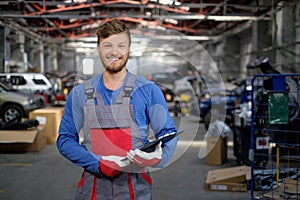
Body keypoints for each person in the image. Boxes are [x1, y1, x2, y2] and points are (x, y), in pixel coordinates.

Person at [56, 19, 178, 200]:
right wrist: (97, 163)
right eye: (107, 45)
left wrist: (159, 157)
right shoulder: (79, 94)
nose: (114, 52)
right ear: (98, 49)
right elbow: (65, 139)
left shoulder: (148, 90)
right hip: (93, 191)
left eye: (121, 45)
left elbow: (168, 133)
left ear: (129, 50)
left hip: (136, 191)